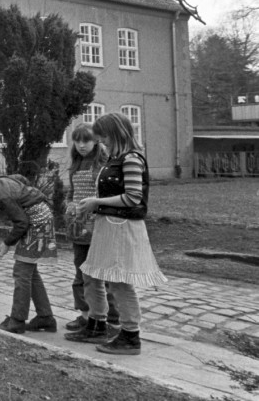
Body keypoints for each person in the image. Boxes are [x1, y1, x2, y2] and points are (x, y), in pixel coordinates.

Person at [65, 113, 167, 355]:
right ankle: (96, 323)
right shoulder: (116, 158)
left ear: (116, 133)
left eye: (105, 137)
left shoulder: (131, 159)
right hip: (108, 224)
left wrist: (95, 202)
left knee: (120, 283)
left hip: (122, 227)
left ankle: (131, 335)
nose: (103, 141)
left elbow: (133, 197)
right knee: (92, 272)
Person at [0, 163, 58, 334]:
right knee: (30, 272)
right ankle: (45, 318)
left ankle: (17, 320)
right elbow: (20, 179)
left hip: (37, 222)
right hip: (38, 219)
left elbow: (21, 223)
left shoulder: (1, 195)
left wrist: (7, 242)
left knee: (21, 271)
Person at [63, 124, 119, 332]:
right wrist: (69, 205)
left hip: (99, 225)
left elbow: (108, 194)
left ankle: (112, 316)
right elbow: (72, 193)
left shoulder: (103, 164)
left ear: (96, 141)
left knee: (102, 273)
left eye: (85, 141)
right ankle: (85, 314)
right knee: (81, 270)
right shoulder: (76, 164)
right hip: (78, 225)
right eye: (77, 141)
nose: (81, 145)